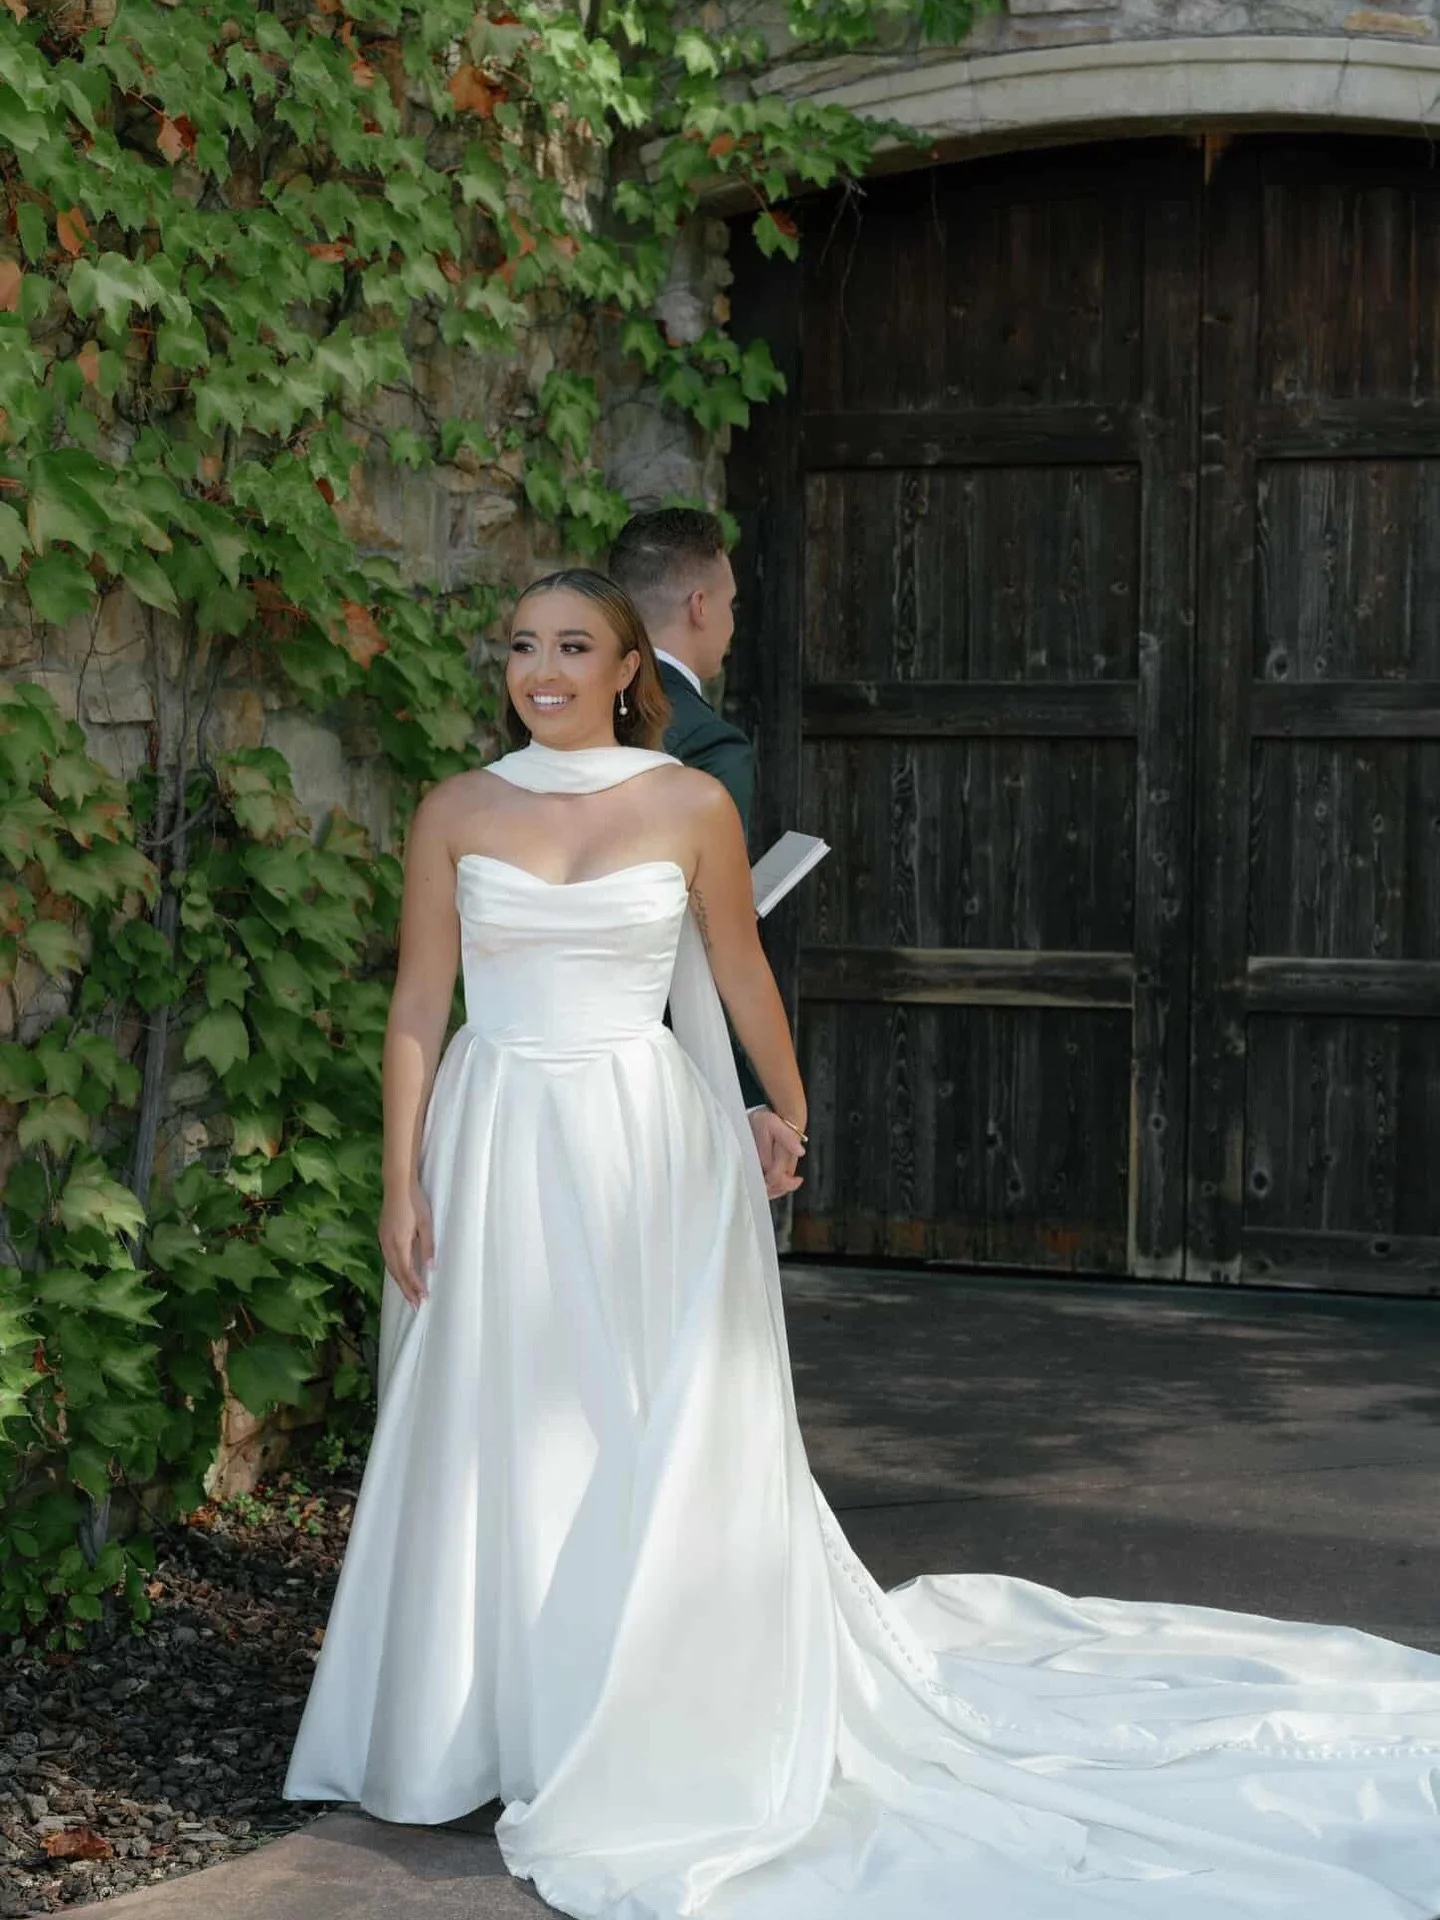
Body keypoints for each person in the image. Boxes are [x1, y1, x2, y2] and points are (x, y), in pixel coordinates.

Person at [285, 568, 1440, 1920]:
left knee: (638, 1423)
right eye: (524, 644)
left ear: (626, 666)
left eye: (574, 645)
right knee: (496, 1418)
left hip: (642, 1143)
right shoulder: (456, 808)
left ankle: (628, 1708)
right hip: (493, 1138)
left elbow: (734, 971)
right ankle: (473, 1722)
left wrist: (786, 1103)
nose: (542, 668)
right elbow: (421, 1003)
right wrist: (400, 1176)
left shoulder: (688, 803)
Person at [608, 509, 791, 1184]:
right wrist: (748, 1097)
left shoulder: (557, 718)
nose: (733, 626)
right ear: (699, 603)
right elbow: (715, 942)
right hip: (662, 1069)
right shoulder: (710, 744)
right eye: (732, 605)